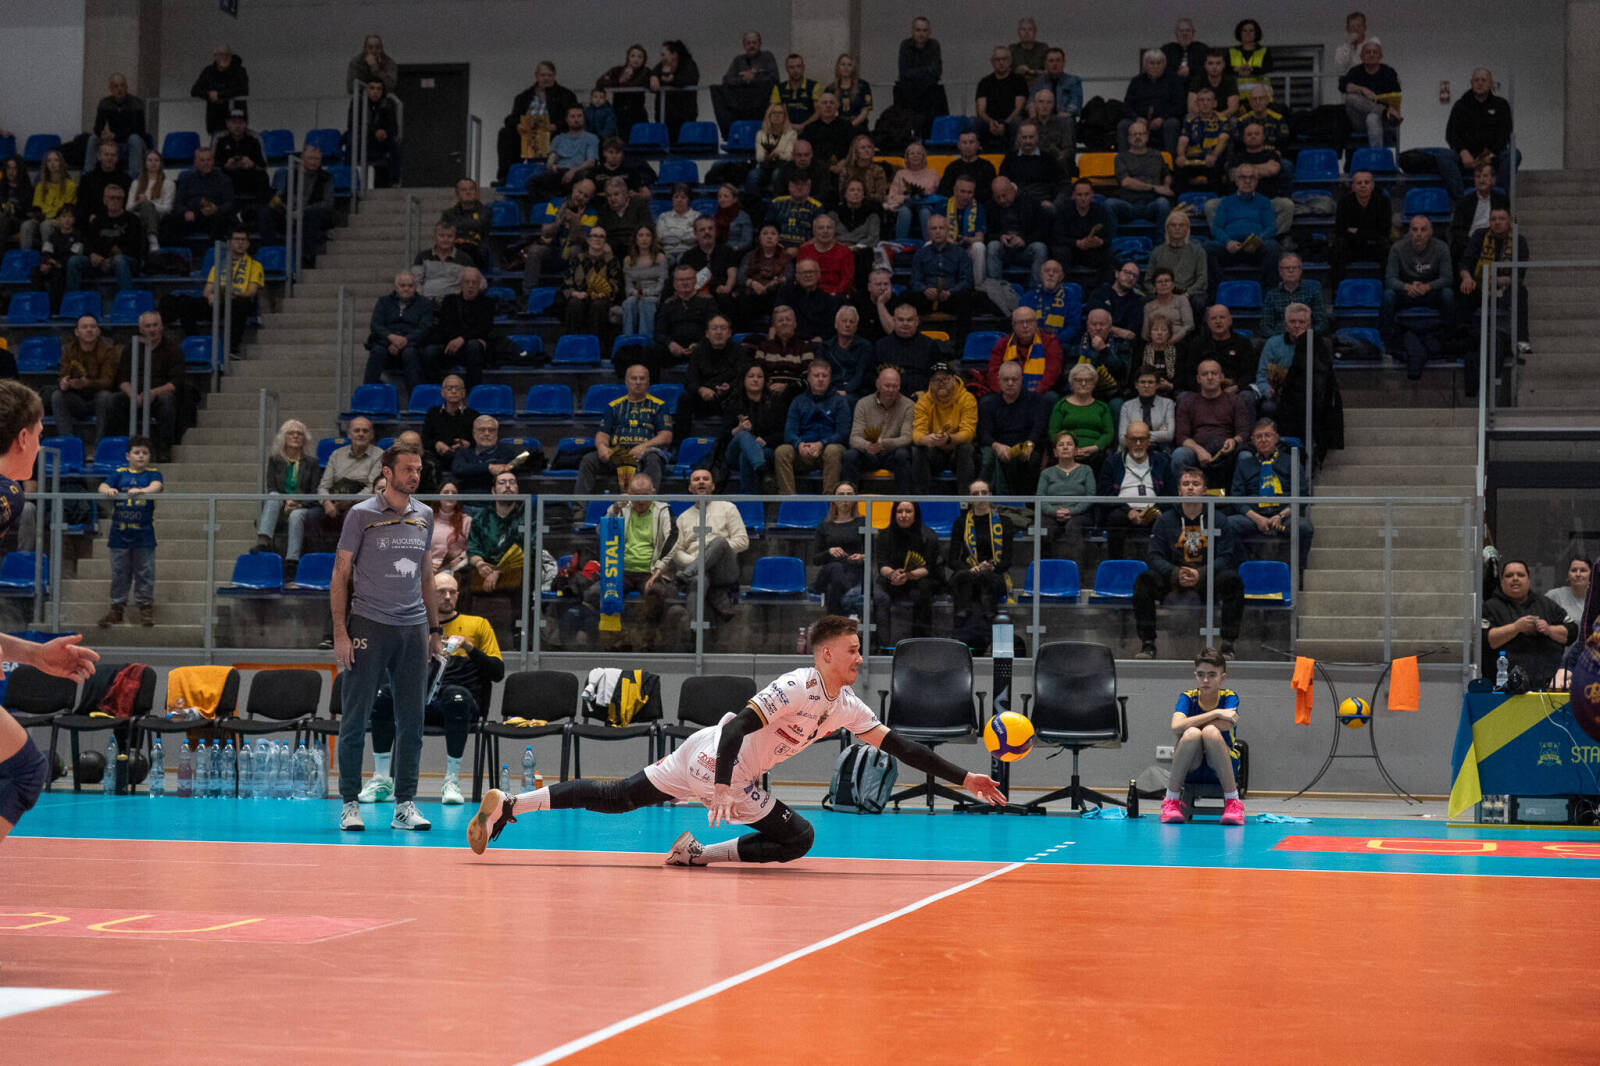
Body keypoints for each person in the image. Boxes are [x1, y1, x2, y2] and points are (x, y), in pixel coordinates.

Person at [471, 613, 1005, 862]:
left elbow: (901, 747)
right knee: (799, 839)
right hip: (720, 763)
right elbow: (738, 728)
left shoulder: (846, 705)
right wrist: (725, 787)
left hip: (702, 751)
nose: (860, 658)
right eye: (853, 650)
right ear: (826, 654)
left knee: (621, 796)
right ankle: (698, 855)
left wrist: (966, 778)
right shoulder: (796, 686)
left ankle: (511, 805)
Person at [0, 380, 100, 847]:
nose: (40, 446)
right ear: (23, 437)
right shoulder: (6, 495)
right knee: (22, 773)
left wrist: (34, 655)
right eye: (40, 434)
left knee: (23, 771)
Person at [331, 440, 440, 833]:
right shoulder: (361, 515)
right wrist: (340, 631)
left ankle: (405, 805)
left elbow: (426, 575)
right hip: (368, 625)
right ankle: (349, 803)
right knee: (355, 718)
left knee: (412, 721)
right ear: (388, 473)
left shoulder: (425, 515)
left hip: (413, 629)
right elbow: (340, 573)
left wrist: (434, 630)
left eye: (419, 469)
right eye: (408, 469)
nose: (415, 475)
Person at [1135, 467, 1244, 660]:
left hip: (1207, 579)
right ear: (1179, 491)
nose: (1190, 488)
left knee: (1233, 581)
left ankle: (1228, 645)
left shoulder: (1219, 519)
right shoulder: (1165, 520)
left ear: (1204, 490)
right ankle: (1148, 644)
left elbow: (1226, 556)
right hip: (1173, 578)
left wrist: (1201, 573)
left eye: (1195, 484)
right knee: (1144, 581)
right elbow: (1154, 556)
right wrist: (1175, 572)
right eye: (1186, 484)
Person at [1161, 648, 1246, 824]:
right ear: (1195, 676)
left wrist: (1191, 723)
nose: (1205, 680)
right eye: (1201, 674)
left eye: (1212, 675)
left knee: (1210, 732)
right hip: (1192, 766)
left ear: (1222, 678)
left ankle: (1233, 802)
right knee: (1192, 734)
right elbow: (1176, 726)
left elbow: (1226, 724)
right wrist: (1216, 713)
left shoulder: (1230, 697)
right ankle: (1170, 802)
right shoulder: (1187, 697)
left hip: (1222, 767)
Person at [656, 466, 750, 620]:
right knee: (697, 580)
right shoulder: (683, 518)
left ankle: (685, 576)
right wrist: (701, 560)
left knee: (719, 542)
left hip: (724, 570)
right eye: (696, 479)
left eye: (705, 479)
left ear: (712, 486)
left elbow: (742, 541)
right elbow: (676, 551)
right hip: (697, 571)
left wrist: (713, 554)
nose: (701, 482)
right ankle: (693, 628)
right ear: (690, 488)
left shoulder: (728, 508)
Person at [1226, 418, 1313, 572]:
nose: (1263, 440)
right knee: (1228, 525)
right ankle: (1246, 570)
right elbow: (1236, 498)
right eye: (1258, 436)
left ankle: (1294, 572)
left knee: (1304, 527)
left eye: (1268, 435)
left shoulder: (1291, 462)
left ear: (1276, 438)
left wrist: (1280, 516)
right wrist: (1257, 518)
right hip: (1253, 517)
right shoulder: (1244, 465)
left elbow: (1302, 495)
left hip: (1284, 517)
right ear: (1252, 440)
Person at [95, 434, 163, 628]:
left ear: (149, 456)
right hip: (119, 534)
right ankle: (116, 609)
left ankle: (145, 609)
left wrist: (143, 491)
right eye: (136, 452)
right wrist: (107, 490)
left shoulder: (153, 474)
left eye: (145, 453)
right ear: (128, 455)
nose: (140, 456)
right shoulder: (119, 473)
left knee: (145, 572)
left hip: (144, 534)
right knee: (119, 573)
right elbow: (102, 485)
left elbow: (157, 486)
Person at [96, 312, 183, 462]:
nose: (152, 329)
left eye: (155, 325)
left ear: (161, 326)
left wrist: (153, 392)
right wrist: (133, 395)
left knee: (167, 401)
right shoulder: (131, 348)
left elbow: (176, 382)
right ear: (141, 329)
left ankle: (164, 449)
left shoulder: (173, 348)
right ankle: (122, 447)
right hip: (134, 395)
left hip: (158, 395)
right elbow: (122, 379)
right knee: (112, 400)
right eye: (148, 326)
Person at [576, 363, 671, 498]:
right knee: (588, 459)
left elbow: (666, 436)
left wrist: (643, 447)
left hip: (645, 454)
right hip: (617, 454)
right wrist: (602, 447)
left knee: (653, 458)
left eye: (642, 378)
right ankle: (579, 508)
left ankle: (649, 503)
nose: (638, 382)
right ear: (626, 382)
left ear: (648, 382)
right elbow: (602, 434)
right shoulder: (614, 406)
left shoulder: (659, 406)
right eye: (634, 378)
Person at [1483, 560, 1573, 689]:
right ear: (1502, 581)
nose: (1515, 579)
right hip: (1503, 689)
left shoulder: (1546, 604)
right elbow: (1486, 640)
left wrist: (1549, 630)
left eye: (1520, 575)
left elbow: (1571, 632)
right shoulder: (1490, 607)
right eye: (1509, 575)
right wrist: (1516, 628)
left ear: (1528, 580)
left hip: (1549, 687)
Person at [255, 418, 319, 582]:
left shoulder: (312, 462)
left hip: (303, 506)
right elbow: (271, 487)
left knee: (296, 515)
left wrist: (298, 504)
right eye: (291, 433)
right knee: (273, 496)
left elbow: (314, 493)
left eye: (299, 434)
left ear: (304, 439)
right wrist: (285, 502)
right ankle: (263, 542)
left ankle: (292, 561)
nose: (295, 436)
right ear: (284, 438)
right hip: (279, 504)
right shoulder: (275, 460)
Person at [1097, 420, 1173, 559]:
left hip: (1154, 510)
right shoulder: (1113, 462)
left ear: (1149, 440)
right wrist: (1128, 511)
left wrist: (1151, 511)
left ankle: (1160, 564)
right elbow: (1104, 494)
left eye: (1142, 439)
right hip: (1122, 509)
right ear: (1126, 440)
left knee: (1167, 519)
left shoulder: (1161, 461)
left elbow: (1170, 494)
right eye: (1133, 439)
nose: (1138, 443)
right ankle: (1116, 564)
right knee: (1114, 518)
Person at [872, 503, 944, 647]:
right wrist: (892, 574)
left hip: (919, 578)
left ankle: (920, 645)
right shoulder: (884, 535)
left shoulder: (928, 535)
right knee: (879, 596)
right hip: (892, 578)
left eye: (908, 511)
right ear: (894, 514)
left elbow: (929, 567)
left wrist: (909, 575)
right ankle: (881, 646)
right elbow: (881, 564)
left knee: (923, 591)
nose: (904, 515)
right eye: (900, 511)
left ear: (915, 513)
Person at [775, 360, 850, 494]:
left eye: (824, 376)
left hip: (828, 449)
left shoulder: (839, 401)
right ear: (809, 378)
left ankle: (829, 501)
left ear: (830, 378)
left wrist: (822, 443)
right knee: (782, 451)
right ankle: (789, 501)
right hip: (803, 451)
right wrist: (799, 445)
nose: (820, 379)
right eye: (816, 376)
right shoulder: (798, 401)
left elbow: (843, 432)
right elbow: (789, 432)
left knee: (833, 451)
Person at [497, 61, 579, 184]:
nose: (546, 78)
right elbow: (511, 118)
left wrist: (555, 126)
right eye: (543, 75)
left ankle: (557, 175)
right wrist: (518, 125)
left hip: (553, 134)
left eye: (549, 75)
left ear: (554, 76)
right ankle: (506, 176)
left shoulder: (566, 95)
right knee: (505, 133)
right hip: (526, 134)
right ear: (536, 75)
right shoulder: (524, 97)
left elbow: (574, 118)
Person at [947, 479, 1013, 629]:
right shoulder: (960, 523)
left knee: (985, 578)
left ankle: (987, 624)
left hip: (994, 573)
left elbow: (1007, 561)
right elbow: (952, 560)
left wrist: (991, 567)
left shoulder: (1005, 522)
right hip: (968, 571)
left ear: (990, 495)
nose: (980, 497)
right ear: (969, 498)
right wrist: (971, 568)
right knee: (965, 577)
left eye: (984, 492)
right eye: (975, 494)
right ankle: (962, 624)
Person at [977, 361, 1048, 496]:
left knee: (1031, 459)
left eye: (1014, 379)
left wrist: (1029, 444)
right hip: (1000, 447)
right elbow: (983, 433)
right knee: (989, 457)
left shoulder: (1035, 400)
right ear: (999, 381)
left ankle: (1027, 504)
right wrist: (997, 445)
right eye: (1006, 379)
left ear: (1021, 380)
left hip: (1026, 447)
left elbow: (1039, 428)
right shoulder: (988, 403)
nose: (1010, 383)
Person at [1382, 216, 1453, 350]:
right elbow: (1390, 279)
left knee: (1447, 294)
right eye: (1414, 230)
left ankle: (1447, 341)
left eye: (1423, 230)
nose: (1418, 234)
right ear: (1409, 232)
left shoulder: (1441, 248)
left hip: (1430, 293)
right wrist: (1406, 286)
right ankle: (1387, 343)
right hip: (1407, 294)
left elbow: (1447, 279)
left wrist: (1428, 286)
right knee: (1388, 295)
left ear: (1430, 232)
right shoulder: (1397, 248)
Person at [1444, 68, 1516, 197]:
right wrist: (1462, 151)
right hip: (1466, 158)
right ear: (1471, 83)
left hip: (1492, 156)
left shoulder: (1501, 105)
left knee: (1514, 155)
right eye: (1476, 80)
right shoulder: (1460, 105)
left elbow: (1504, 134)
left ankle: (1499, 197)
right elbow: (1451, 134)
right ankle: (1460, 198)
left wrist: (1486, 156)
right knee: (1444, 156)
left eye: (1484, 80)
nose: (1480, 83)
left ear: (1490, 84)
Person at [1172, 359, 1249, 479]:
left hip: (1228, 450)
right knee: (1179, 455)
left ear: (1221, 377)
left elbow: (1244, 432)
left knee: (1246, 456)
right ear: (1198, 379)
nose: (1210, 377)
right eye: (1205, 374)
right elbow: (1182, 437)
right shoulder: (1188, 401)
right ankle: (1185, 491)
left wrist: (1234, 441)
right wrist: (1198, 450)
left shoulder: (1235, 400)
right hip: (1197, 450)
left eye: (1214, 373)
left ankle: (1239, 491)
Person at [843, 365, 915, 492]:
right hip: (869, 453)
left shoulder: (908, 405)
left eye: (895, 386)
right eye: (887, 386)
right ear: (878, 384)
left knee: (903, 454)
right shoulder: (863, 404)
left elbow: (907, 438)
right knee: (850, 455)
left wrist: (883, 443)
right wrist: (867, 446)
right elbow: (854, 438)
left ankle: (905, 499)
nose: (891, 390)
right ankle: (848, 498)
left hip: (892, 453)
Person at [50, 315, 120, 445]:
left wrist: (86, 384)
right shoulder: (68, 349)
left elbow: (108, 381)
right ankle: (68, 443)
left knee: (105, 397)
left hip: (97, 399)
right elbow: (63, 374)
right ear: (77, 332)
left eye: (93, 327)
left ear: (98, 331)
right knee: (57, 395)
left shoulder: (108, 350)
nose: (89, 330)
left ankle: (100, 445)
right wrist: (64, 382)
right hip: (76, 398)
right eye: (85, 327)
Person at [260, 143, 337, 261]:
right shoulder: (289, 174)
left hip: (310, 216)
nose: (314, 162)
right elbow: (279, 195)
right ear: (302, 158)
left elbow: (328, 202)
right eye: (310, 158)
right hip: (288, 214)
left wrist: (303, 211)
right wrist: (286, 209)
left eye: (317, 159)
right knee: (266, 212)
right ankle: (270, 252)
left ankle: (306, 257)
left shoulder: (326, 177)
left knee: (314, 215)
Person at [426, 267, 498, 388]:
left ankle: (472, 391)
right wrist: (460, 338)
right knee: (430, 351)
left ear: (479, 285)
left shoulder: (487, 303)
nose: (470, 286)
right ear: (460, 285)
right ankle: (437, 390)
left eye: (474, 282)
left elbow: (483, 327)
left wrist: (462, 339)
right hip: (451, 346)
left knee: (474, 346)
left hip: (473, 349)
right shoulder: (449, 301)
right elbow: (444, 326)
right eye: (467, 282)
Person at [1208, 165, 1280, 283]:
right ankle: (1220, 287)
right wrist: (1227, 242)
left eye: (1252, 177)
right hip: (1230, 248)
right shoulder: (1225, 202)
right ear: (1236, 180)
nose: (1247, 181)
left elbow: (1271, 227)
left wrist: (1258, 239)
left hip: (1255, 248)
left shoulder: (1264, 202)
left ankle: (1266, 288)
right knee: (1207, 247)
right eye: (1243, 177)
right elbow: (1216, 228)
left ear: (1257, 181)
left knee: (1273, 247)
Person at [722, 363, 786, 494]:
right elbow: (723, 436)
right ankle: (763, 472)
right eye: (751, 376)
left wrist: (766, 440)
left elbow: (784, 433)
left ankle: (749, 498)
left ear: (765, 380)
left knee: (746, 455)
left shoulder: (775, 403)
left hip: (765, 450)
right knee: (743, 435)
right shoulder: (733, 403)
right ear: (744, 379)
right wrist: (738, 428)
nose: (755, 380)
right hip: (733, 453)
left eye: (759, 376)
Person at [68, 184, 142, 297]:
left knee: (120, 260)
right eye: (112, 198)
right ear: (105, 200)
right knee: (74, 261)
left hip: (125, 262)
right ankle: (73, 300)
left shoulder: (133, 220)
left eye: (119, 198)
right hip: (100, 262)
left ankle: (127, 300)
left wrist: (112, 259)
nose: (115, 201)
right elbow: (87, 243)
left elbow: (137, 248)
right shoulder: (98, 221)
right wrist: (92, 255)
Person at [463, 468, 528, 596]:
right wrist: (480, 564)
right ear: (493, 491)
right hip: (484, 572)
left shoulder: (528, 516)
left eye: (512, 482)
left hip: (517, 572)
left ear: (517, 490)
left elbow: (528, 550)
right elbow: (473, 549)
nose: (508, 486)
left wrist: (499, 571)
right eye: (502, 482)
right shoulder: (481, 518)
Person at [365, 271, 432, 393]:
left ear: (416, 287)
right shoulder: (383, 302)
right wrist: (391, 338)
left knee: (410, 353)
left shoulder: (424, 303)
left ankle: (416, 396)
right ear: (396, 287)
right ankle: (367, 393)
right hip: (386, 342)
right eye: (402, 285)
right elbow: (376, 325)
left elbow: (425, 328)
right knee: (377, 351)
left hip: (412, 343)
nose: (406, 289)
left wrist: (404, 341)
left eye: (410, 286)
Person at [200, 226, 262, 355]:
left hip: (239, 300)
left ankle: (232, 350)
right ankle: (196, 346)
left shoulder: (255, 266)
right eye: (236, 239)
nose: (240, 243)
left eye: (243, 240)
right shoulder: (218, 265)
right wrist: (211, 296)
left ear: (248, 244)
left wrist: (232, 292)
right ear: (229, 243)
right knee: (187, 303)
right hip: (218, 301)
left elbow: (251, 291)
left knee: (241, 305)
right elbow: (207, 290)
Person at [909, 215, 973, 330]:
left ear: (947, 231)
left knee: (965, 297)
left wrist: (950, 292)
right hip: (926, 298)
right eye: (934, 228)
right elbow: (914, 281)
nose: (938, 231)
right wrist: (925, 289)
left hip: (951, 298)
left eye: (941, 228)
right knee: (906, 296)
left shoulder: (960, 253)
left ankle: (962, 340)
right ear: (928, 232)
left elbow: (967, 281)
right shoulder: (920, 254)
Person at [319, 417, 382, 531]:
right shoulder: (337, 454)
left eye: (365, 431)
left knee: (352, 514)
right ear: (349, 434)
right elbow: (323, 486)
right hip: (333, 502)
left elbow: (371, 487)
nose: (361, 434)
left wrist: (350, 501)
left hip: (362, 503)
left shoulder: (379, 455)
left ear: (371, 435)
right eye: (357, 430)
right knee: (306, 516)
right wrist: (326, 502)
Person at [1331, 169, 1392, 287]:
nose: (1363, 186)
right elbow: (1340, 230)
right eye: (1359, 183)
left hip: (1374, 246)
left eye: (1366, 182)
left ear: (1372, 185)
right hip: (1352, 246)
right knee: (1337, 249)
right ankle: (1338, 290)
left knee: (1387, 249)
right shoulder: (1344, 202)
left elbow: (1384, 231)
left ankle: (1387, 288)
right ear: (1353, 186)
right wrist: (1369, 232)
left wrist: (1356, 231)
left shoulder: (1383, 201)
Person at [811, 483, 866, 614]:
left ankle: (834, 624)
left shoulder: (863, 522)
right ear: (834, 499)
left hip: (852, 570)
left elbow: (871, 553)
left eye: (849, 495)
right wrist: (829, 552)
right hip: (829, 571)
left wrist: (862, 557)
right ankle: (852, 610)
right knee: (835, 567)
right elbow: (815, 559)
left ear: (856, 499)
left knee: (832, 589)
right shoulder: (824, 526)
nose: (845, 498)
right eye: (841, 495)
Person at [1108, 119, 1175, 227]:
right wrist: (1154, 188)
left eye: (1141, 134)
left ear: (1147, 136)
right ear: (1128, 138)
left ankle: (1161, 238)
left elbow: (1166, 173)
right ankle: (1111, 239)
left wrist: (1166, 187)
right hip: (1128, 204)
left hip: (1152, 204)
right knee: (1109, 204)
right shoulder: (1120, 157)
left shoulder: (1157, 155)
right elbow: (1126, 182)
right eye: (1134, 134)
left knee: (1163, 203)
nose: (1138, 137)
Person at [1048, 363, 1114, 471]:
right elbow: (1053, 432)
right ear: (1071, 383)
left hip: (1095, 455)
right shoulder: (1061, 405)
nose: (1083, 383)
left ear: (1094, 383)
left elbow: (1109, 433)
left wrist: (1094, 448)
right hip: (1066, 453)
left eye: (1088, 380)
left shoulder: (1102, 407)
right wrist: (1069, 449)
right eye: (1078, 380)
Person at [987, 305, 1062, 397]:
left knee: (1051, 397)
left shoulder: (1049, 342)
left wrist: (1035, 393)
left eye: (1029, 321)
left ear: (1036, 323)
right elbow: (993, 372)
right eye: (1020, 322)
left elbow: (1052, 372)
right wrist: (1005, 392)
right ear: (1013, 326)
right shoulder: (1004, 343)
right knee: (987, 401)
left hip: (1038, 393)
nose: (1025, 326)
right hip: (1008, 393)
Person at [983, 176, 1046, 286]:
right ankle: (995, 290)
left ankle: (1035, 290)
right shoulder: (989, 206)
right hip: (1003, 249)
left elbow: (1043, 230)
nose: (1002, 200)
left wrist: (1024, 240)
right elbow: (985, 233)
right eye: (998, 197)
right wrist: (999, 237)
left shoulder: (1031, 202)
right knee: (993, 246)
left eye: (1004, 195)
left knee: (1040, 248)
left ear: (1012, 190)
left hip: (1025, 248)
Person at [1121, 50, 1186, 155]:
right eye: (1152, 63)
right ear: (1145, 65)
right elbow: (1127, 106)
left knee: (1172, 124)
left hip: (1164, 121)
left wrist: (1163, 118)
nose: (1155, 66)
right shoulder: (1136, 81)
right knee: (1124, 125)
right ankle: (1124, 160)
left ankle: (1171, 161)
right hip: (1140, 121)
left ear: (1164, 64)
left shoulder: (1174, 80)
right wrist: (1136, 118)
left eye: (1158, 63)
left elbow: (1180, 105)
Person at [1339, 38, 1400, 150]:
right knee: (1350, 97)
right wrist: (1362, 89)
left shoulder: (1388, 72)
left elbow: (1396, 94)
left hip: (1383, 120)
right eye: (1368, 52)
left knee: (1372, 118)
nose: (1371, 55)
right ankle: (1382, 111)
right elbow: (1343, 86)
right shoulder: (1355, 71)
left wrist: (1390, 108)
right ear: (1362, 56)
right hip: (1359, 120)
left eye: (1374, 52)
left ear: (1380, 56)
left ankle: (1376, 157)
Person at [1050, 179, 1116, 282]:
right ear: (1073, 195)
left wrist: (1099, 242)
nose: (1083, 198)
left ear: (1092, 195)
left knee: (1108, 253)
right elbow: (1057, 237)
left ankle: (1103, 286)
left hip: (1091, 252)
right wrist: (1077, 243)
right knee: (1061, 252)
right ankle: (1064, 286)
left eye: (1086, 194)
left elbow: (1108, 237)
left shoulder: (1100, 211)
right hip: (1071, 252)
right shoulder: (1064, 210)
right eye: (1079, 195)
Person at [894, 16, 948, 137]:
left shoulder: (934, 45)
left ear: (929, 32)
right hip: (908, 93)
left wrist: (916, 73)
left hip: (929, 93)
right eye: (918, 30)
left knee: (937, 95)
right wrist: (926, 70)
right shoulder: (905, 45)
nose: (921, 34)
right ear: (912, 31)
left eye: (924, 30)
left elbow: (937, 72)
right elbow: (904, 72)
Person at [1068, 308, 1131, 412]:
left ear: (1110, 327)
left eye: (1102, 324)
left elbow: (1123, 371)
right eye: (1094, 324)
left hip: (1111, 392)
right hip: (1081, 389)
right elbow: (1069, 371)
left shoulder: (1121, 343)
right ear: (1088, 326)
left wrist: (1104, 350)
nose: (1098, 328)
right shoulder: (1077, 343)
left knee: (1117, 405)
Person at [747, 304, 815, 398]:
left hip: (795, 397)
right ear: (774, 326)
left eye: (788, 319)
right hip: (768, 396)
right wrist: (767, 386)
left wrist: (787, 388)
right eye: (780, 320)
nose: (784, 323)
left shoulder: (805, 348)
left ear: (795, 324)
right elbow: (758, 375)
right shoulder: (763, 347)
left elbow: (808, 380)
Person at [450, 415, 524, 497]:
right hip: (469, 499)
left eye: (491, 430)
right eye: (482, 430)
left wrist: (473, 471)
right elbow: (458, 469)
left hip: (498, 500)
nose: (487, 433)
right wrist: (488, 468)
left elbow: (509, 470)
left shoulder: (507, 452)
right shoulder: (463, 453)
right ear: (474, 433)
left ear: (497, 433)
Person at [1260, 253, 1330, 337]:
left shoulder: (1313, 292)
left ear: (1300, 270)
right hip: (1280, 338)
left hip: (1308, 338)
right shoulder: (1271, 295)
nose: (1291, 271)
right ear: (1280, 272)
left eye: (1294, 267)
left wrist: (1308, 335)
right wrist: (1280, 339)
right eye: (1287, 268)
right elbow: (1265, 326)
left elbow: (1322, 323)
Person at [735, 223, 793, 325]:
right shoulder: (749, 255)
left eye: (773, 234)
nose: (769, 237)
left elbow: (789, 275)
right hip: (753, 293)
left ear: (778, 238)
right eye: (765, 234)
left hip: (775, 292)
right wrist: (752, 283)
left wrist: (775, 282)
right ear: (759, 238)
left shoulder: (786, 256)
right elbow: (740, 276)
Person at [1174, 87, 1230, 193]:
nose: (1205, 103)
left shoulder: (1222, 120)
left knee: (1216, 169)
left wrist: (1214, 155)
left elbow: (1224, 139)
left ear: (1214, 103)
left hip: (1212, 158)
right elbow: (1183, 139)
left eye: (1208, 100)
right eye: (1201, 100)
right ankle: (1182, 201)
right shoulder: (1189, 120)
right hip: (1192, 159)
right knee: (1178, 169)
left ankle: (1214, 200)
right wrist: (1181, 155)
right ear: (1197, 103)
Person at [999, 122, 1065, 210]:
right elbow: (1001, 184)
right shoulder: (1009, 159)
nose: (1028, 141)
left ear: (1037, 138)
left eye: (1031, 137)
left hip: (1043, 206)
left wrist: (1055, 204)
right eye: (1024, 137)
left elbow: (1064, 184)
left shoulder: (1048, 159)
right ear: (1018, 139)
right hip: (1015, 206)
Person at [19, 149, 75, 252]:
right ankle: (25, 256)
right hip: (43, 218)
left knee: (46, 225)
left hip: (60, 220)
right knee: (26, 225)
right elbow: (37, 208)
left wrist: (49, 216)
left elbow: (66, 209)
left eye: (56, 160)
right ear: (46, 164)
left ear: (61, 163)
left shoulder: (70, 185)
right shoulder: (40, 186)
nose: (52, 163)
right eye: (49, 161)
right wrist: (39, 216)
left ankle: (48, 257)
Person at [92, 72, 149, 170]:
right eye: (116, 86)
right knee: (93, 139)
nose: (120, 89)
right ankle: (88, 174)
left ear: (126, 87)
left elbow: (139, 130)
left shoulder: (136, 103)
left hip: (133, 142)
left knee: (134, 139)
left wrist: (115, 135)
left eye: (122, 85)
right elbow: (98, 127)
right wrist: (103, 134)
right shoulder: (105, 103)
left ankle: (134, 176)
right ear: (110, 89)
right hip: (114, 142)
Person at [976, 46, 1029, 152]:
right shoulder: (984, 82)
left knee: (1018, 123)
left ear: (1010, 61)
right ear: (992, 62)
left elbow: (1019, 108)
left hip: (1011, 120)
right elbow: (981, 111)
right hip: (990, 121)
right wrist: (991, 122)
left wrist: (1005, 124)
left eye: (1004, 59)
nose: (1001, 63)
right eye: (997, 60)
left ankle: (1015, 156)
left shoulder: (1019, 80)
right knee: (972, 122)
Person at [884, 141, 941, 240]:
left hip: (926, 205)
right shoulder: (900, 174)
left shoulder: (933, 173)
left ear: (924, 157)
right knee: (904, 211)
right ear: (907, 157)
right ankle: (900, 243)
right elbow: (892, 196)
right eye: (912, 153)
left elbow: (938, 195)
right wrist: (906, 197)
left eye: (919, 153)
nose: (915, 156)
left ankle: (930, 243)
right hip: (905, 204)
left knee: (925, 212)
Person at [680, 215, 738, 309]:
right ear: (695, 234)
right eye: (702, 230)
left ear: (715, 231)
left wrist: (728, 287)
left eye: (710, 229)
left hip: (722, 292)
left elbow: (732, 273)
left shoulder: (727, 250)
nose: (707, 232)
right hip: (697, 294)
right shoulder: (688, 256)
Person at [191, 44, 249, 135]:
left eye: (227, 54)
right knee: (217, 140)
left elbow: (243, 90)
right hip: (215, 117)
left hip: (237, 117)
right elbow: (195, 91)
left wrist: (219, 95)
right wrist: (209, 95)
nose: (224, 57)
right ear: (215, 56)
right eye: (221, 54)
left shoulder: (240, 71)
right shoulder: (208, 71)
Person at [816, 303, 873, 397]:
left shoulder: (865, 347)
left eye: (851, 322)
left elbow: (860, 375)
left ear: (856, 327)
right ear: (836, 324)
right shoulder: (825, 347)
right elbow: (821, 373)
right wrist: (832, 391)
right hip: (828, 391)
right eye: (844, 321)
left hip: (854, 392)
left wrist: (846, 391)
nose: (847, 324)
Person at [597, 44, 653, 139]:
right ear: (628, 57)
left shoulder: (645, 71)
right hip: (619, 113)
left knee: (639, 141)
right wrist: (618, 81)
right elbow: (600, 82)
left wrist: (622, 82)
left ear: (644, 60)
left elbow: (635, 84)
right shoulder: (617, 70)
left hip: (637, 114)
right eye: (633, 56)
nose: (636, 59)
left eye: (640, 57)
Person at [215, 108, 270, 202]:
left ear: (246, 124)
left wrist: (252, 164)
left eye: (241, 122)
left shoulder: (254, 140)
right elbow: (213, 165)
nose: (237, 126)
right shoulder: (220, 140)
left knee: (263, 177)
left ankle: (260, 206)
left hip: (249, 176)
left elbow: (263, 166)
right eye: (234, 122)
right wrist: (226, 166)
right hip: (228, 176)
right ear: (227, 124)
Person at [650, 40, 701, 141]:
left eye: (664, 54)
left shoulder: (689, 65)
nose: (662, 58)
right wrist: (653, 76)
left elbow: (690, 79)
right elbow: (652, 75)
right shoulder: (660, 67)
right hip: (665, 116)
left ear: (674, 54)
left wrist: (673, 80)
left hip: (685, 115)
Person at [1021, 259, 1079, 339]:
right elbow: (1021, 322)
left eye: (1055, 271)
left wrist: (1054, 341)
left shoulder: (1070, 297)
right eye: (1047, 271)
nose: (1051, 274)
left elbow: (1074, 326)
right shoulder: (1028, 297)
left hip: (1060, 342)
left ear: (1061, 277)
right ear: (1041, 275)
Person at [128, 149, 172, 253]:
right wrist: (139, 203)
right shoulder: (136, 183)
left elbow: (168, 208)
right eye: (150, 160)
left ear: (160, 163)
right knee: (144, 207)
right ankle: (152, 240)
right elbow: (128, 208)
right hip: (138, 217)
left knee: (147, 205)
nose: (153, 163)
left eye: (156, 160)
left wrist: (150, 203)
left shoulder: (168, 184)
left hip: (158, 217)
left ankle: (152, 239)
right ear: (145, 163)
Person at [1121, 363, 1177, 445]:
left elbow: (1169, 435)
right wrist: (1159, 433)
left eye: (1150, 382)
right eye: (1142, 382)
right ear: (1136, 385)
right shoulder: (1127, 406)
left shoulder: (1168, 404)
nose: (1146, 385)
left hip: (1160, 449)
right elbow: (1122, 438)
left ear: (1157, 385)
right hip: (1132, 449)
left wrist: (1134, 434)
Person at [77, 141, 131, 225]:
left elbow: (127, 204)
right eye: (106, 154)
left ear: (117, 158)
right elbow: (82, 205)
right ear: (99, 156)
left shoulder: (126, 180)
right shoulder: (87, 179)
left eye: (113, 155)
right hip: (93, 222)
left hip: (119, 222)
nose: (109, 158)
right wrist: (89, 217)